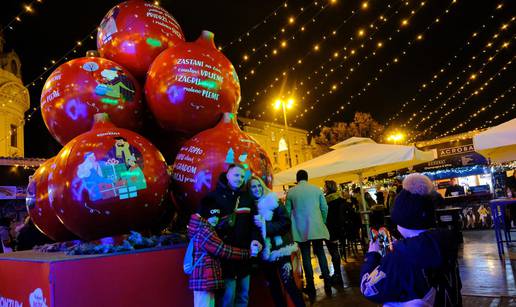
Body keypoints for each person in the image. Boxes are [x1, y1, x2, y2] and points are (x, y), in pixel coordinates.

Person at [360, 173, 462, 306]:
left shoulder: (400, 255)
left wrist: (372, 255)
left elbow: (368, 289)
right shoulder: (444, 240)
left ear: (402, 220)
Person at [200, 164, 263, 307]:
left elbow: (254, 225)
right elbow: (203, 226)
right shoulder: (213, 197)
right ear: (227, 175)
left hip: (245, 257)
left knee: (243, 297)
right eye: (236, 175)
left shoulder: (247, 198)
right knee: (228, 299)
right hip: (225, 259)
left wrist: (256, 240)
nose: (239, 178)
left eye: (242, 176)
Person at [248, 176, 305, 307]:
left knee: (289, 284)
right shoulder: (250, 207)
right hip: (264, 253)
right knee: (273, 287)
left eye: (258, 186)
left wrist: (265, 226)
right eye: (253, 186)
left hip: (280, 249)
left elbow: (285, 222)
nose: (257, 189)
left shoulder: (273, 201)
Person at [187, 208, 253, 307]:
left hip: (203, 278)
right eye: (212, 215)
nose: (215, 219)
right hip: (204, 279)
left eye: (217, 216)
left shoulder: (200, 228)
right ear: (205, 216)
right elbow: (223, 250)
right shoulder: (205, 231)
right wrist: (247, 253)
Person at [285, 170, 332, 301]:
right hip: (316, 227)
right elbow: (325, 208)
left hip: (301, 229)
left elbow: (287, 212)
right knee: (321, 253)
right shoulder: (316, 189)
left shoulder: (291, 192)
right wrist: (322, 221)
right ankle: (327, 282)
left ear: (297, 179)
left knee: (306, 257)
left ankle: (311, 286)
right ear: (307, 178)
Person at [323, 180, 345, 287]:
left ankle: (337, 275)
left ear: (328, 188)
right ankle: (337, 274)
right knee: (335, 251)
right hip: (339, 229)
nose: (323, 188)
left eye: (325, 186)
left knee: (334, 252)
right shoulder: (340, 199)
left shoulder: (326, 201)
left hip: (330, 229)